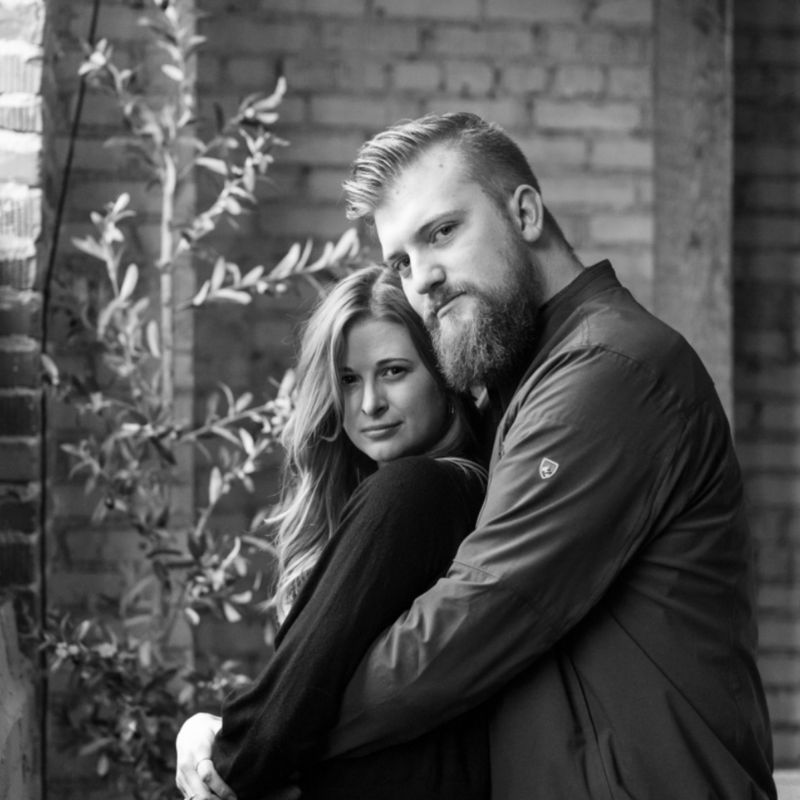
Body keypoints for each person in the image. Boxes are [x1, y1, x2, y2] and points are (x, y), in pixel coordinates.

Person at [179, 111, 778, 800]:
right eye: (401, 261)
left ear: (525, 213)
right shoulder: (518, 387)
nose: (423, 279)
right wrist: (252, 722)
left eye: (443, 232)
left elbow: (471, 620)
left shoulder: (608, 369)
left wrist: (257, 737)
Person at [175, 265, 490, 800]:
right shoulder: (445, 490)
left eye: (394, 371)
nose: (369, 404)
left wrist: (217, 748)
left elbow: (286, 709)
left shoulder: (417, 490)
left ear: (445, 374)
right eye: (347, 379)